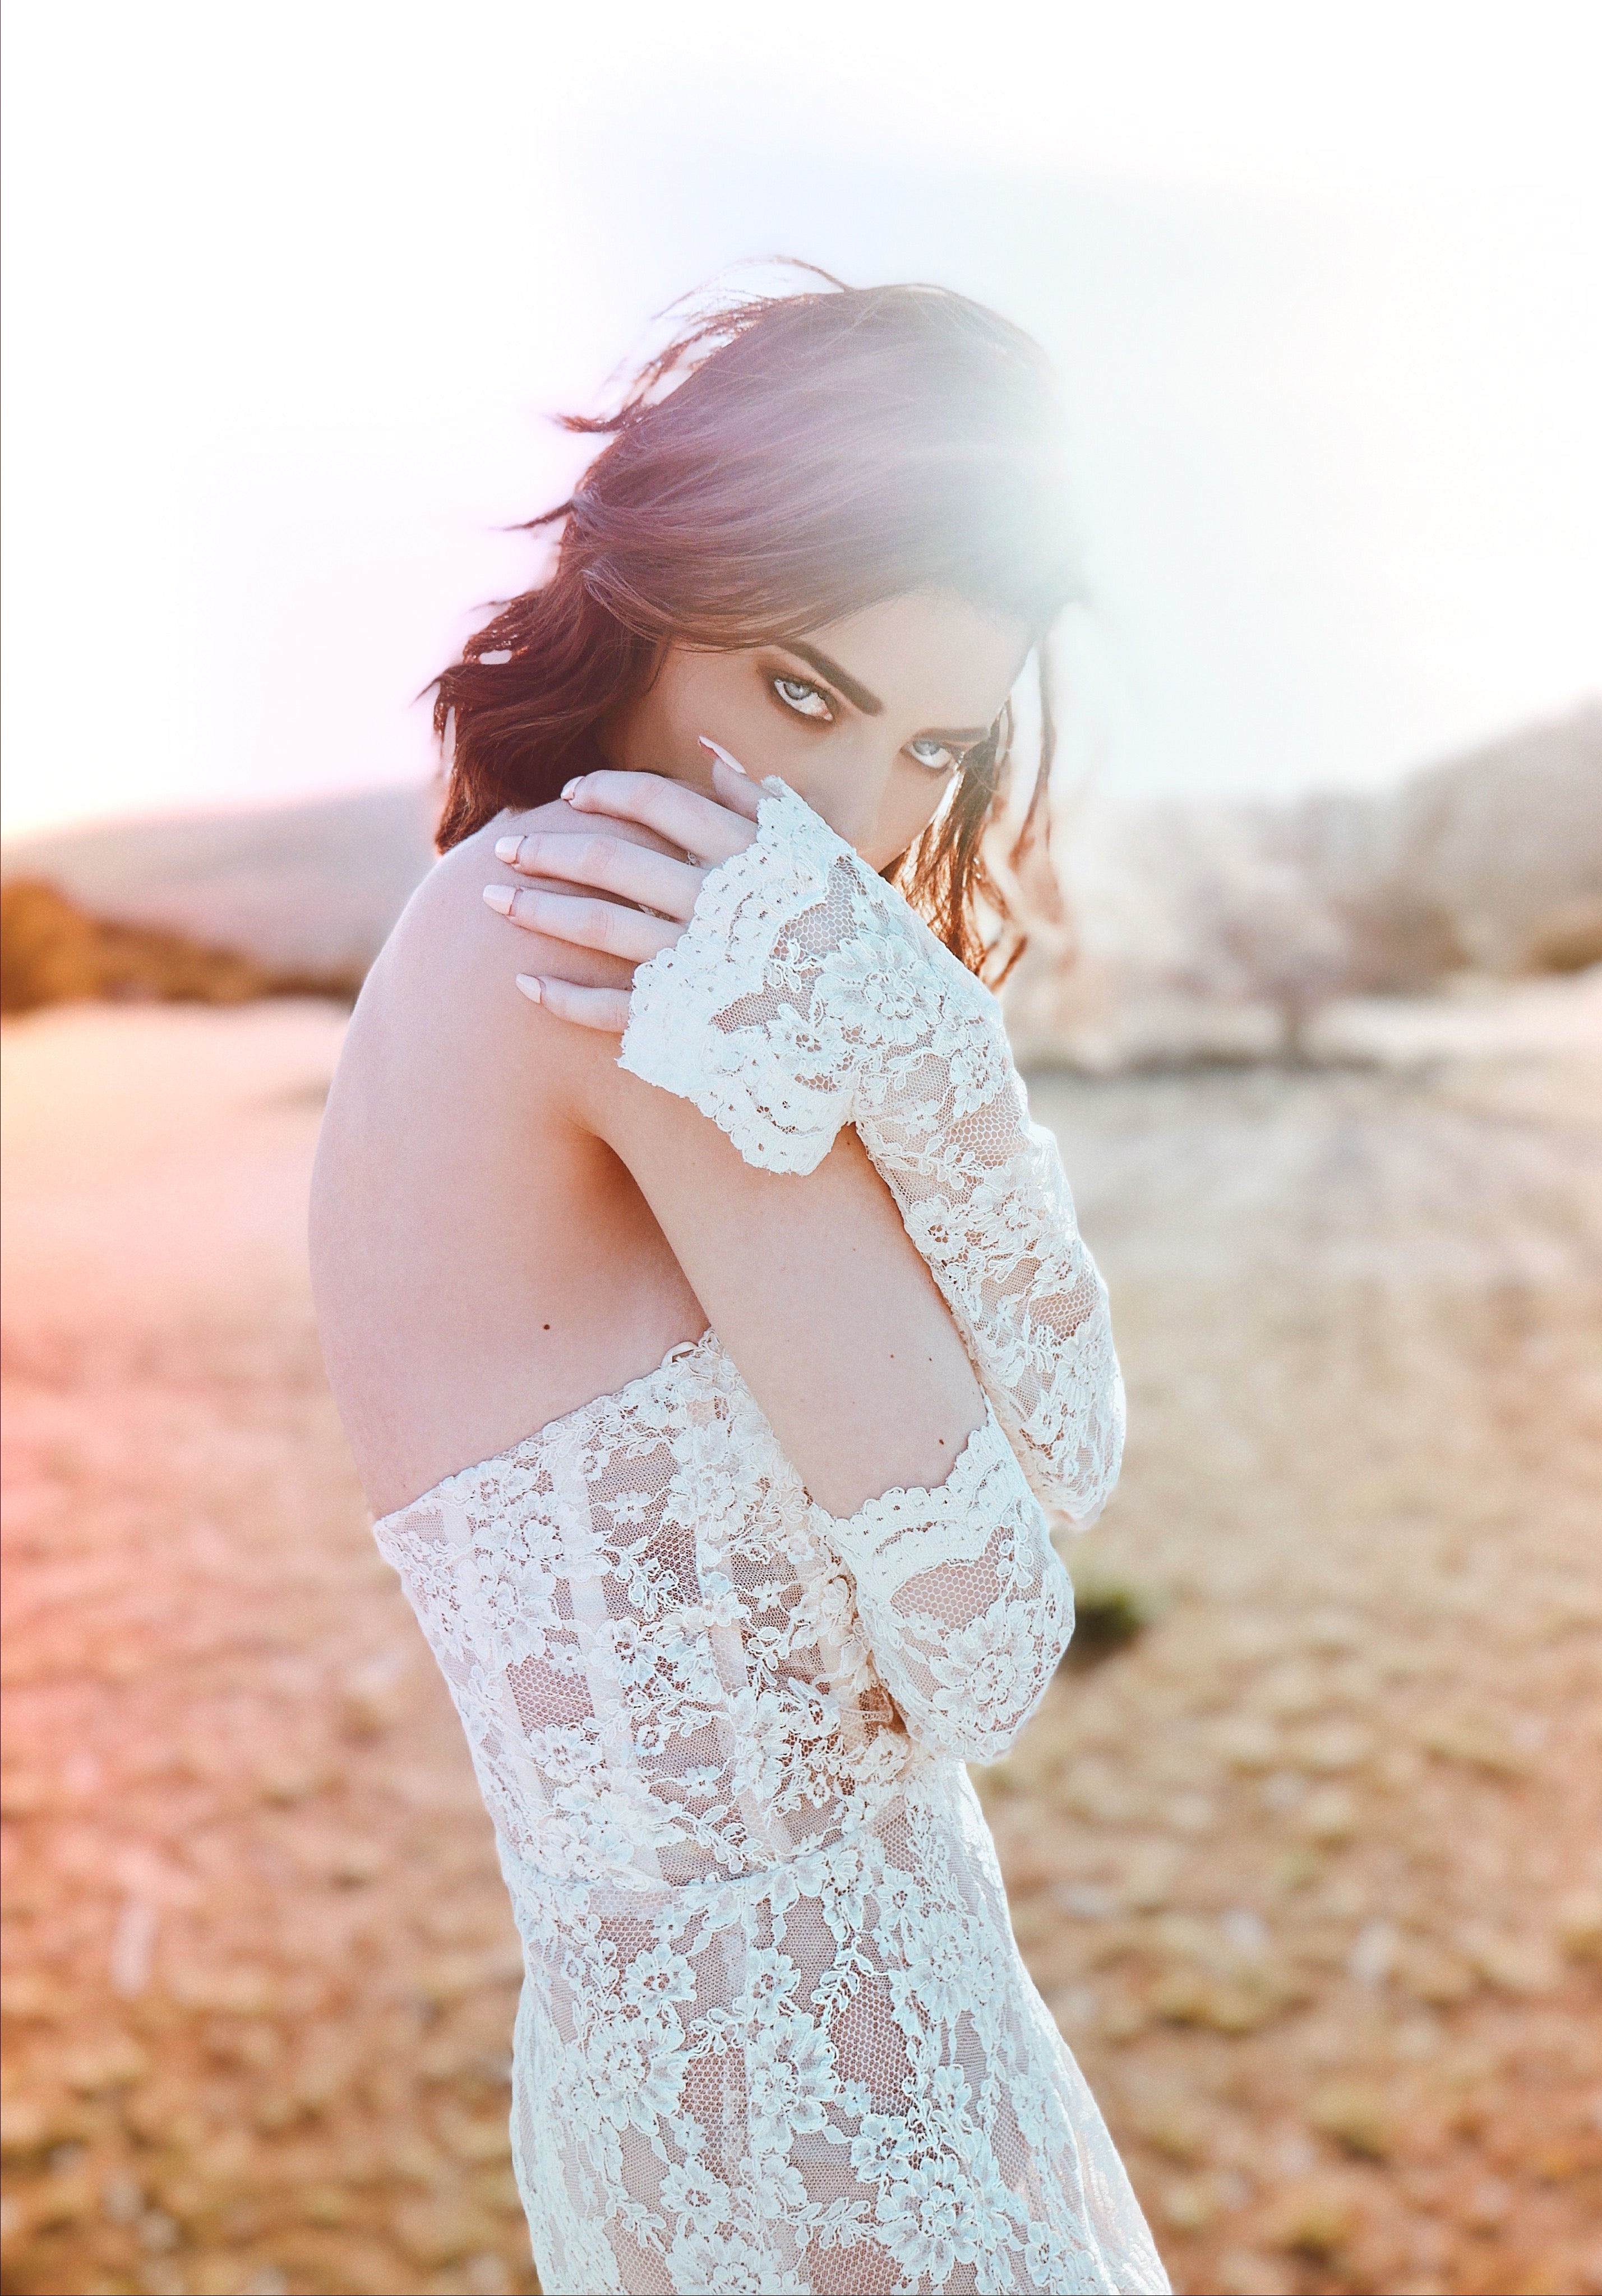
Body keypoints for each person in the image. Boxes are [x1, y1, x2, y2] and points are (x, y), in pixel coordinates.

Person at [310, 274, 1169, 2296]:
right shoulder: (627, 963)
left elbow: (1081, 1449)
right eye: (798, 689)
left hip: (688, 2087)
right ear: (648, 586)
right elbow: (996, 1645)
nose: (845, 825)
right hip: (833, 2118)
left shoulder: (505, 920)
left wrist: (915, 1057)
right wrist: (927, 1056)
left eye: (930, 750)